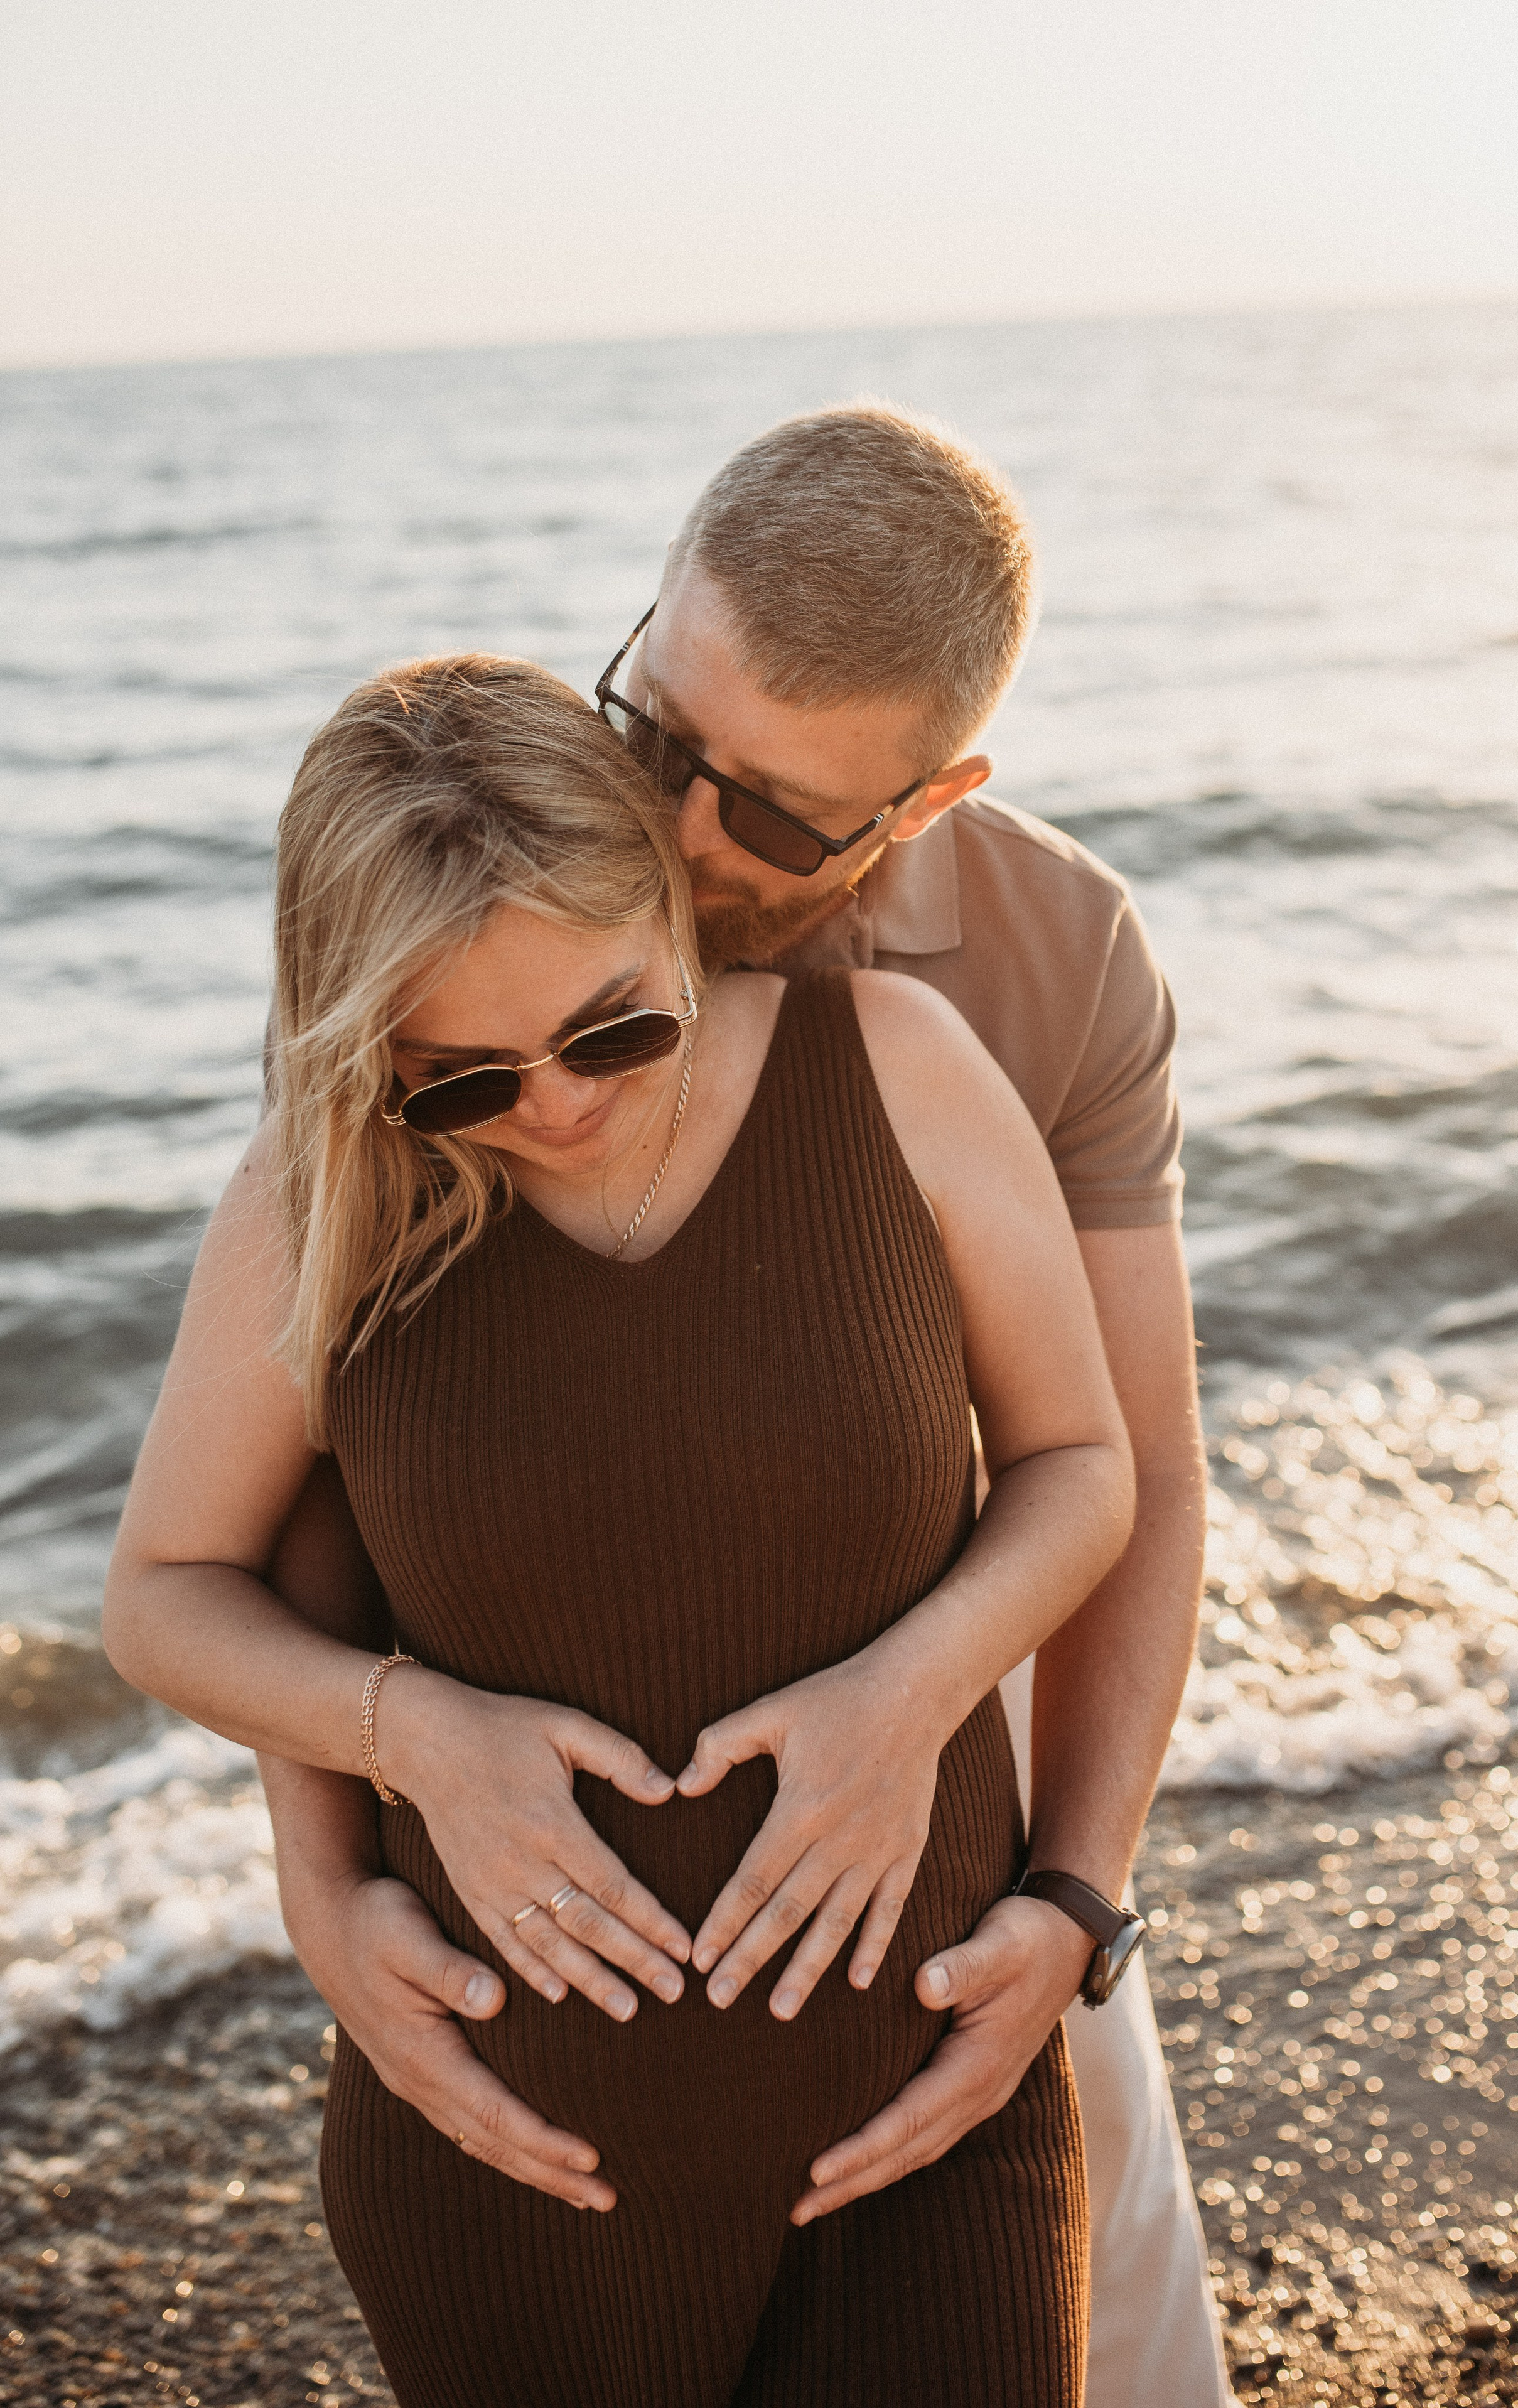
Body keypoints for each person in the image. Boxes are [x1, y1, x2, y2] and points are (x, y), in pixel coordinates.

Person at [264, 405, 1232, 2405]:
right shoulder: (496, 852)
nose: (684, 840)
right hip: (559, 1883)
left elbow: (1126, 1459)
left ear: (934, 793)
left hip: (956, 1784)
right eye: (663, 734)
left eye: (775, 815)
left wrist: (1075, 1895)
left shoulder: (1054, 961)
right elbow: (314, 1438)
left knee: (1104, 2290)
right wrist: (326, 1879)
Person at [104, 652, 1137, 2406]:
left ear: (675, 905)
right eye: (463, 1079)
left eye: (614, 1024)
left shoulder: (898, 1067)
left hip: (935, 2136)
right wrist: (407, 1736)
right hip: (510, 2184)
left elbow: (1083, 1462)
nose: (562, 1106)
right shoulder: (320, 1193)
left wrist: (918, 1697)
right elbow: (162, 1594)